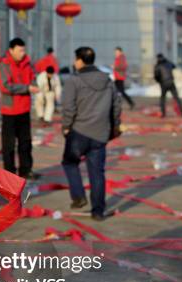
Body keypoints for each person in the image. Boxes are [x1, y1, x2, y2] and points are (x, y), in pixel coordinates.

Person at [61, 46, 121, 221]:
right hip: (100, 134)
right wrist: (114, 128)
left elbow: (68, 107)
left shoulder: (74, 81)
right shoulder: (108, 81)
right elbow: (116, 106)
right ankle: (98, 211)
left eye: (75, 59)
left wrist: (66, 126)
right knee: (97, 173)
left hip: (79, 132)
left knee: (69, 162)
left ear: (79, 60)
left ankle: (79, 195)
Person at [0, 38, 40, 180]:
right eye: (20, 50)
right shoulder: (4, 64)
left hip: (24, 109)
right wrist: (26, 88)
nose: (23, 53)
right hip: (9, 111)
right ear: (11, 50)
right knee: (8, 145)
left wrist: (33, 84)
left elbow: (33, 78)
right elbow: (5, 86)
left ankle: (26, 170)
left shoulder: (28, 63)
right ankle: (9, 173)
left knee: (26, 143)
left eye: (23, 50)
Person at [154, 54, 182, 118]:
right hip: (171, 82)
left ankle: (163, 114)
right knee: (177, 98)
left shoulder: (157, 65)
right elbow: (174, 66)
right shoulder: (168, 63)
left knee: (162, 99)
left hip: (164, 84)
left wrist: (159, 81)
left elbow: (156, 76)